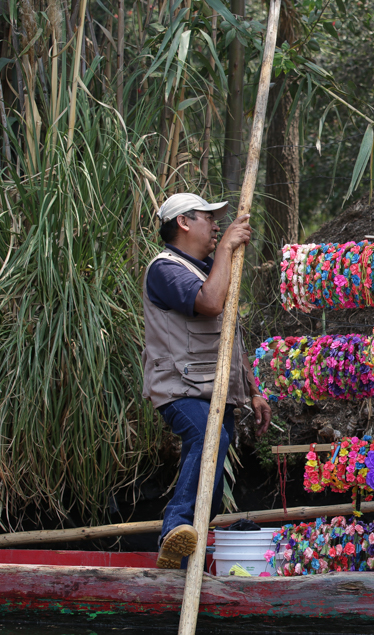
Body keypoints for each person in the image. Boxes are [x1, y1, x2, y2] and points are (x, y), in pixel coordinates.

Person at [142, 193, 272, 569]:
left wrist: (253, 390)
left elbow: (228, 330)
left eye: (220, 223)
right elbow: (211, 304)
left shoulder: (203, 268)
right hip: (180, 388)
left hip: (215, 391)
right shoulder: (165, 268)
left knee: (211, 485)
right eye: (208, 218)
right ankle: (175, 527)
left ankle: (183, 561)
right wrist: (227, 248)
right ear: (183, 222)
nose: (217, 226)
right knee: (209, 437)